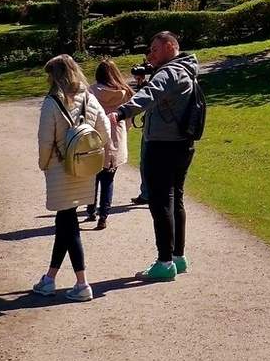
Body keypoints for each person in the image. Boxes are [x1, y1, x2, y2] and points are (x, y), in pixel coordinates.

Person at [115, 31, 199, 282]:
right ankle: (177, 257)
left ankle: (164, 263)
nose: (149, 55)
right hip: (182, 144)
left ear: (170, 46)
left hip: (162, 145)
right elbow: (157, 96)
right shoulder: (186, 69)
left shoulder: (168, 72)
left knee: (160, 202)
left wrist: (121, 112)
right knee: (176, 199)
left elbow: (149, 95)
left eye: (154, 49)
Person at [33, 54, 111, 301]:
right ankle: (49, 278)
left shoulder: (51, 103)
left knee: (69, 225)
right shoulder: (89, 97)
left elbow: (45, 141)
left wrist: (43, 164)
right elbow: (105, 131)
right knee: (65, 223)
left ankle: (82, 283)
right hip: (84, 168)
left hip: (60, 169)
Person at [85, 60, 133, 230]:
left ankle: (91, 210)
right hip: (115, 138)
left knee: (92, 177)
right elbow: (129, 119)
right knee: (108, 180)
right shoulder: (125, 93)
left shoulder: (90, 91)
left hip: (95, 138)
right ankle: (103, 216)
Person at [128, 64, 151, 205]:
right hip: (153, 127)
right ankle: (148, 193)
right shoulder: (147, 85)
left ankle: (147, 194)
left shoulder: (151, 86)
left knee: (146, 162)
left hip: (152, 129)